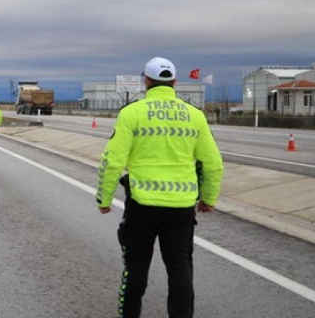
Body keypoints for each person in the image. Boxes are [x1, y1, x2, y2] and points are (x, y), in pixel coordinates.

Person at [96, 57, 224, 318]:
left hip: (142, 205)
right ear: (174, 82)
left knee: (136, 267)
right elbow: (213, 163)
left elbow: (112, 161)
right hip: (181, 207)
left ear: (146, 81)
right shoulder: (195, 116)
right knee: (179, 267)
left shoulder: (132, 113)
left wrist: (104, 198)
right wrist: (208, 199)